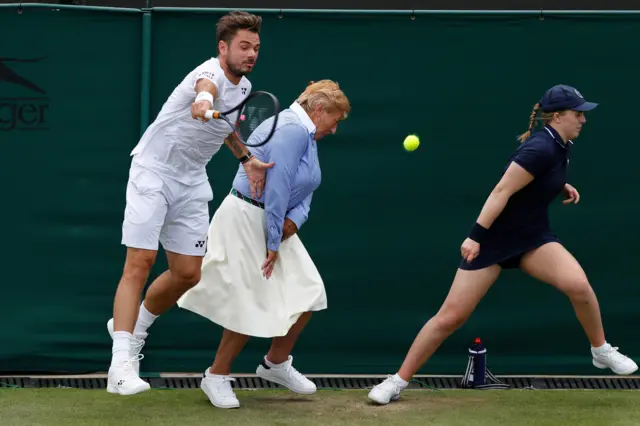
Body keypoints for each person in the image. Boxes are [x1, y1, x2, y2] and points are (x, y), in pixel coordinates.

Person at [368, 84, 638, 405]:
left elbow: (536, 179)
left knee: (578, 285)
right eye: (578, 114)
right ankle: (397, 381)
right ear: (558, 116)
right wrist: (475, 236)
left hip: (532, 239)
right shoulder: (539, 149)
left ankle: (600, 350)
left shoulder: (561, 144)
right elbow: (501, 192)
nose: (583, 120)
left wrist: (559, 184)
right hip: (492, 243)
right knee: (450, 318)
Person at [105, 11, 274, 396]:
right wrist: (201, 101)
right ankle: (119, 364)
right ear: (223, 47)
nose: (251, 54)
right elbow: (205, 94)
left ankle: (132, 328)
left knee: (188, 274)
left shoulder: (245, 88)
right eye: (244, 47)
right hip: (153, 172)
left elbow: (226, 127)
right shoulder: (208, 74)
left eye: (256, 48)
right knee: (140, 263)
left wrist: (247, 160)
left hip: (192, 180)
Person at [176, 80, 351, 409]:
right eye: (335, 120)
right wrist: (273, 240)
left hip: (270, 221)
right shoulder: (291, 130)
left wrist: (295, 221)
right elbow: (278, 188)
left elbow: (308, 184)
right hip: (247, 217)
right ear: (318, 110)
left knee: (309, 291)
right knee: (250, 300)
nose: (335, 128)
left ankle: (275, 363)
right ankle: (216, 375)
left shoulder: (306, 133)